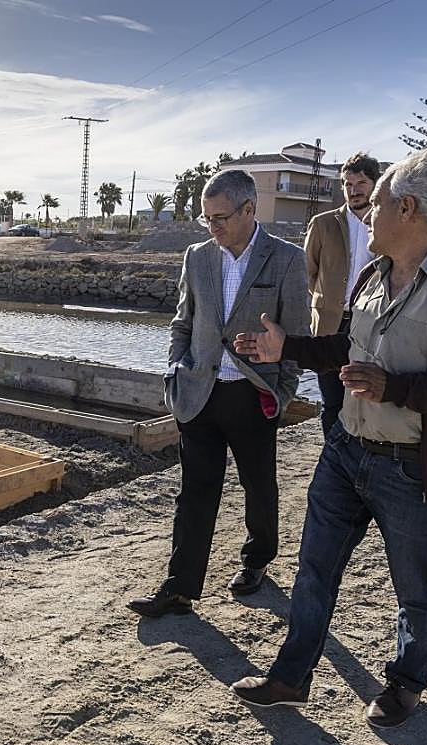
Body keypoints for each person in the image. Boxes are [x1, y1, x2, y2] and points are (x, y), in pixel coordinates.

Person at [229, 149, 427, 727]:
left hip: (412, 465)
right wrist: (285, 346)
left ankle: (406, 683)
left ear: (408, 209)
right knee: (314, 568)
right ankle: (291, 677)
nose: (365, 214)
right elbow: (347, 349)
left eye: (379, 203)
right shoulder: (374, 274)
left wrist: (396, 387)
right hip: (345, 450)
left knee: (414, 584)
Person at [127, 170, 309, 617]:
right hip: (199, 391)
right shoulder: (197, 256)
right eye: (206, 219)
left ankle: (257, 561)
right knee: (195, 491)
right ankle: (180, 587)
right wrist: (175, 371)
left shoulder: (287, 258)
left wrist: (281, 392)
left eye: (220, 217)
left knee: (258, 486)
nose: (213, 227)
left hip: (253, 394)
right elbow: (182, 322)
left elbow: (298, 336)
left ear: (250, 210)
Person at [304, 152, 380, 434]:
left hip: (371, 325)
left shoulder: (387, 225)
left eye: (360, 183)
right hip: (328, 324)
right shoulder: (323, 224)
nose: (354, 190)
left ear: (375, 184)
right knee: (331, 400)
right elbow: (309, 272)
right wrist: (328, 301)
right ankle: (332, 457)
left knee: (365, 397)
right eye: (348, 184)